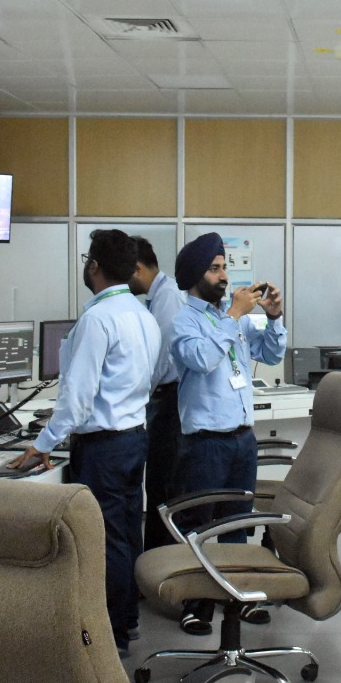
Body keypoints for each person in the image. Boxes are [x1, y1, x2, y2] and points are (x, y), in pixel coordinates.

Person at [10, 229, 160, 653]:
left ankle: (110, 636)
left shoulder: (98, 319)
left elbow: (76, 399)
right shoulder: (143, 316)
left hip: (104, 448)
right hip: (133, 438)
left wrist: (43, 444)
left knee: (103, 541)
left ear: (93, 266)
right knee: (126, 532)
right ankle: (127, 621)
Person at [169, 232, 286, 636]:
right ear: (194, 276)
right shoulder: (184, 322)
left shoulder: (234, 319)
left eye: (224, 268)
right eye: (214, 269)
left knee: (237, 523)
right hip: (205, 442)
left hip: (241, 440)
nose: (223, 276)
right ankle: (195, 603)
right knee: (198, 525)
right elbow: (202, 359)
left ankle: (238, 596)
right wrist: (233, 316)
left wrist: (274, 318)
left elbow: (271, 354)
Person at [128, 235, 184, 553]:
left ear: (137, 268)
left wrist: (139, 397)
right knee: (159, 485)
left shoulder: (168, 297)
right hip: (164, 399)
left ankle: (160, 564)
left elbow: (161, 358)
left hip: (170, 400)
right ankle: (153, 562)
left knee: (163, 487)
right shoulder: (159, 296)